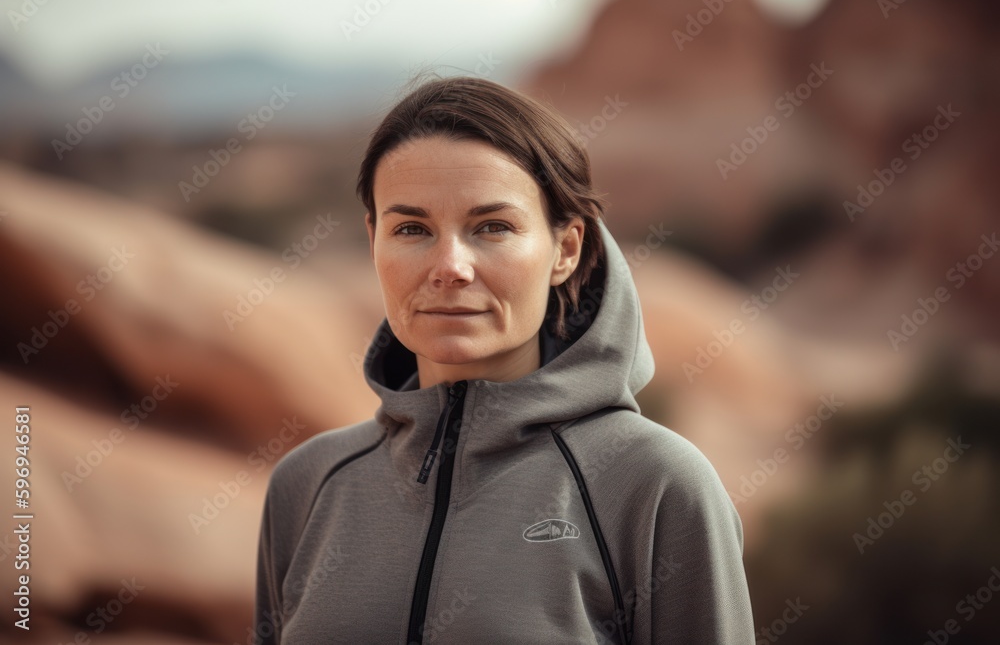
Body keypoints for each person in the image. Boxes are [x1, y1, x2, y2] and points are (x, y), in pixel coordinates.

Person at [253, 75, 755, 644]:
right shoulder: (307, 484)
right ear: (373, 240)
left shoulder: (655, 485)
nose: (450, 266)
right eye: (412, 228)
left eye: (492, 227)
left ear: (566, 249)